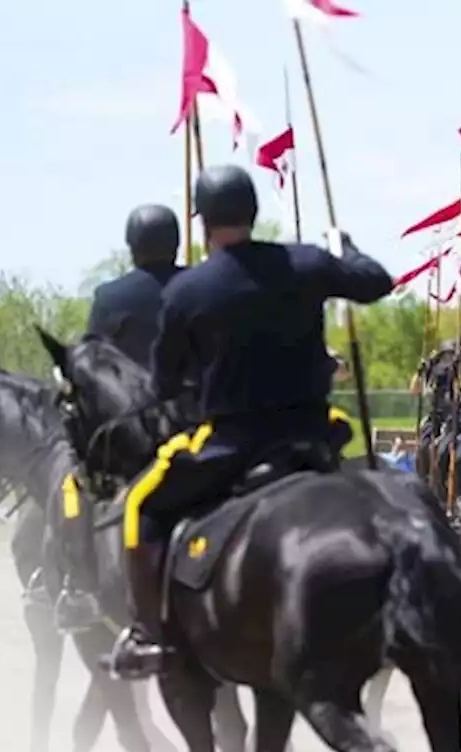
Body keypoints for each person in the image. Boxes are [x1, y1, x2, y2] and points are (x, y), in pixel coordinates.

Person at [104, 164, 396, 679]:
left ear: (202, 223)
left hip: (232, 444)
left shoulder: (189, 290)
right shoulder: (307, 263)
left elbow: (164, 386)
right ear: (254, 213)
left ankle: (150, 634)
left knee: (140, 509)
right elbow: (376, 282)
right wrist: (343, 249)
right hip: (314, 434)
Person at [86, 205, 182, 366]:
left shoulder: (109, 298)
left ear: (132, 246)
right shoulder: (203, 289)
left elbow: (93, 362)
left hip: (133, 389)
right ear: (176, 243)